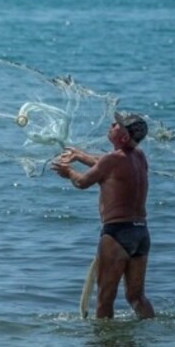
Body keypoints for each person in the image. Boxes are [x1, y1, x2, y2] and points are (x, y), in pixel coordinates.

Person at [50, 112, 155, 319]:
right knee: (136, 297)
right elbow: (107, 165)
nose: (112, 124)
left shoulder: (111, 160)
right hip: (140, 233)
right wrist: (80, 156)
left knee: (105, 299)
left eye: (117, 124)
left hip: (117, 234)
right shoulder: (139, 157)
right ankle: (151, 335)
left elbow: (82, 182)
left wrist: (68, 172)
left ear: (124, 137)